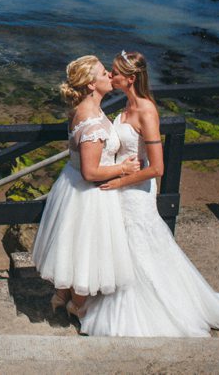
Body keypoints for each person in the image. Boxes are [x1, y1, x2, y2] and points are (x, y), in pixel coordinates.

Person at [79, 50, 219, 337]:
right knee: (125, 251)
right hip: (121, 188)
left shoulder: (147, 111)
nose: (110, 76)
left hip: (135, 191)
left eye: (114, 72)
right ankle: (119, 305)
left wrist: (119, 181)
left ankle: (149, 311)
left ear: (130, 78)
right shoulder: (124, 106)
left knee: (141, 250)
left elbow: (158, 168)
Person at [31, 55, 142, 318]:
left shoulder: (81, 109)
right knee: (86, 254)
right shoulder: (91, 121)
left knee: (73, 247)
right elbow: (90, 171)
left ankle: (62, 295)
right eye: (104, 73)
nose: (110, 77)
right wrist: (123, 168)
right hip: (90, 194)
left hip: (71, 187)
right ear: (92, 84)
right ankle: (77, 307)